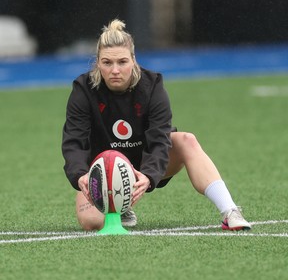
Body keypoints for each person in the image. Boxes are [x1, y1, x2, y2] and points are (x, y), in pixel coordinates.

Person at [62, 19, 251, 232]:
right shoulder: (83, 89)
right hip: (102, 170)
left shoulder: (152, 86)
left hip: (146, 160)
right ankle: (120, 204)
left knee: (186, 140)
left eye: (122, 62)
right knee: (92, 222)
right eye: (107, 63)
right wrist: (81, 175)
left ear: (133, 60)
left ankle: (230, 211)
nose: (115, 70)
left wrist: (150, 175)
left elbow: (160, 138)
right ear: (97, 62)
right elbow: (74, 141)